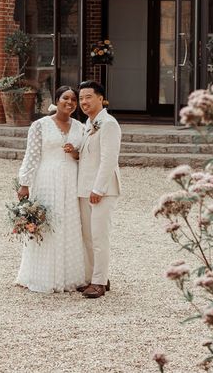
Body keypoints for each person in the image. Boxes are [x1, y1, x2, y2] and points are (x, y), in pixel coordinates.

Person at [15, 86, 86, 293]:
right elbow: (32, 155)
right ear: (57, 100)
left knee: (70, 224)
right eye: (66, 98)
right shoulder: (40, 125)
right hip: (46, 179)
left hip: (71, 180)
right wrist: (24, 183)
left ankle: (69, 276)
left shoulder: (80, 127)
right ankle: (40, 275)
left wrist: (74, 153)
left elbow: (84, 156)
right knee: (47, 224)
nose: (70, 102)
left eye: (74, 99)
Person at [74, 80, 122, 299]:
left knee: (100, 237)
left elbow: (108, 160)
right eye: (81, 98)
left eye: (88, 97)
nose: (84, 102)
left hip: (101, 190)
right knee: (88, 238)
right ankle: (95, 277)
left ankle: (99, 282)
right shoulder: (88, 123)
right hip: (84, 188)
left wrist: (98, 189)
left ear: (101, 99)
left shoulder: (109, 124)